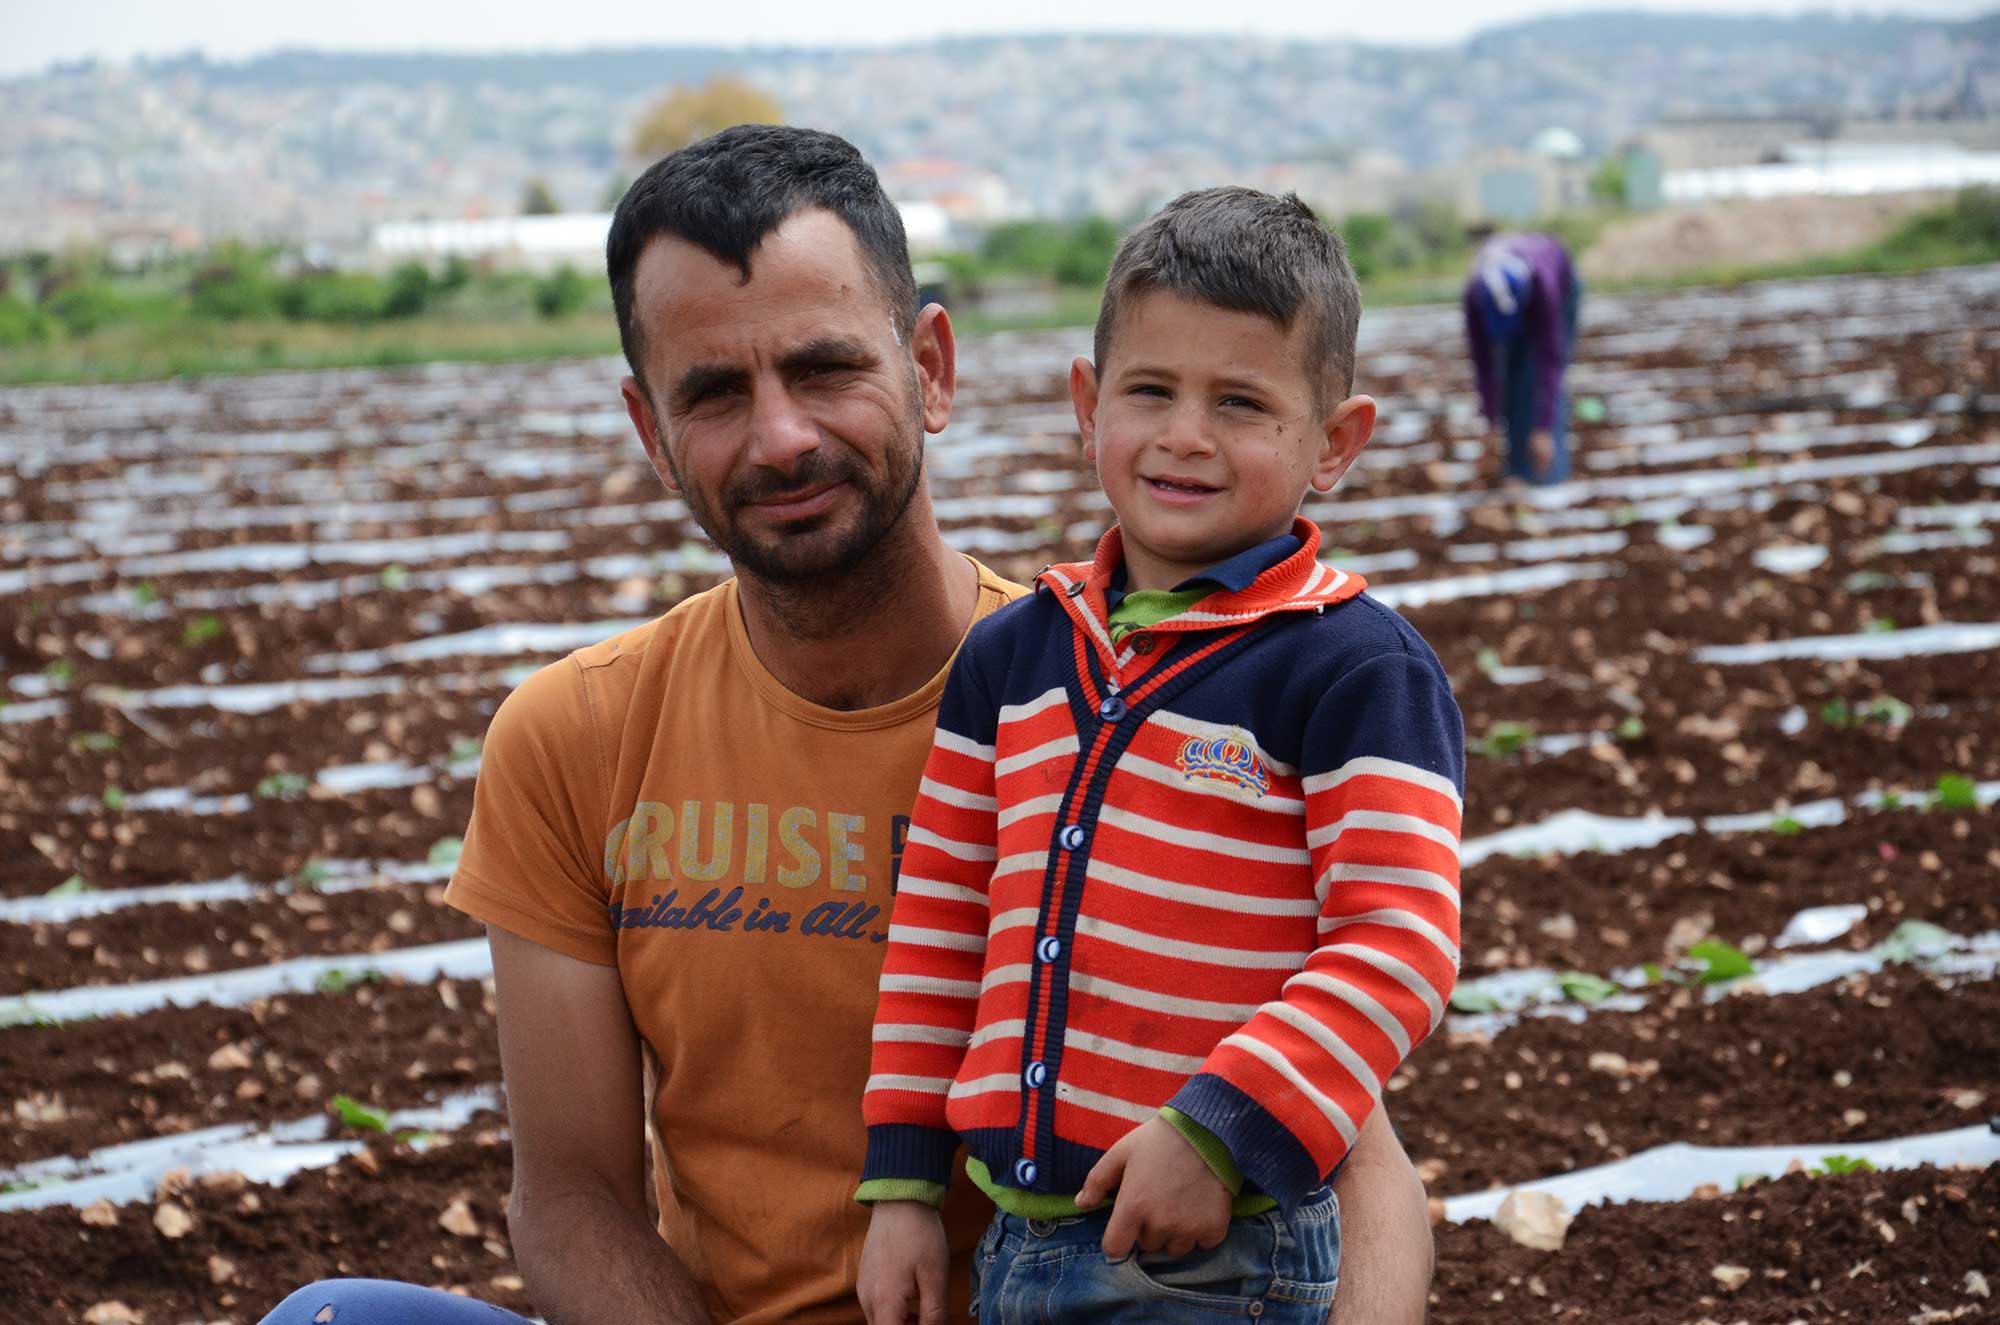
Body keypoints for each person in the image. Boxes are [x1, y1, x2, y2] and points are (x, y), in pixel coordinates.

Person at [258, 128, 1435, 1325]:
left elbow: (1357, 1147)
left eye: (823, 369)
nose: (780, 437)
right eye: (714, 392)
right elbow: (569, 1195)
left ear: (930, 363)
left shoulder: (1110, 704)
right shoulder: (575, 734)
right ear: (648, 428)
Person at [855, 188, 1464, 1325]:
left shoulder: (1352, 669)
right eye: (1150, 391)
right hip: (1014, 1244)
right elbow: (938, 918)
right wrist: (901, 1186)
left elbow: (1399, 942)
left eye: (1239, 402)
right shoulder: (1012, 655)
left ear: (1333, 443)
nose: (1185, 434)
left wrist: (1214, 1132)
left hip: (1215, 1251)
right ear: (1089, 407)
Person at [1462, 230, 1581, 485]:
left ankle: (1547, 476)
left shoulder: (1543, 288)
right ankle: (1515, 471)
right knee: (1511, 375)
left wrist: (1543, 429)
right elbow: (1484, 366)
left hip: (1563, 284)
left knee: (1531, 378)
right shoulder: (1475, 295)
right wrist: (1490, 424)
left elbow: (1550, 363)